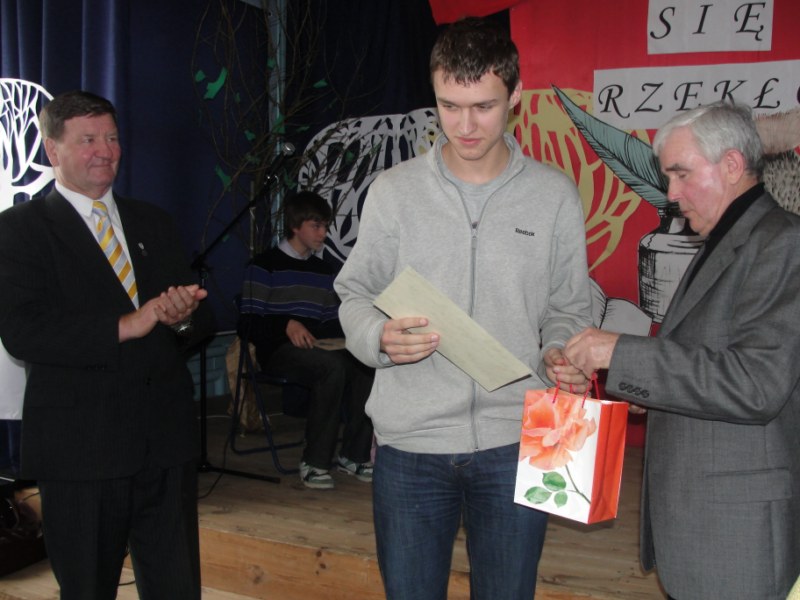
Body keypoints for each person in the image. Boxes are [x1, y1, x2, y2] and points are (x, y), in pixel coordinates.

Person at [333, 16, 593, 600]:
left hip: (520, 440)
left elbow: (569, 306)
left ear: (515, 96)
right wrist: (377, 337)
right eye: (449, 106)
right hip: (411, 444)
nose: (465, 126)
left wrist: (559, 348)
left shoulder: (553, 195)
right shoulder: (394, 192)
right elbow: (354, 294)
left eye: (483, 107)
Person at [564, 101, 800, 600]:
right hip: (707, 530)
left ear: (732, 165)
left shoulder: (783, 243)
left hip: (736, 538)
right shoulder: (727, 238)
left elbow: (756, 385)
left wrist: (621, 354)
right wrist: (642, 390)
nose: (670, 194)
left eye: (681, 174)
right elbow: (708, 364)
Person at [0, 90, 213, 600]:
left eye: (112, 138)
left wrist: (183, 317)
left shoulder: (153, 221)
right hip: (81, 449)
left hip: (165, 442)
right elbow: (24, 332)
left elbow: (200, 321)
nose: (105, 151)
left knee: (177, 588)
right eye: (88, 139)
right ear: (52, 150)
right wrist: (126, 325)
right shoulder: (19, 230)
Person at [238, 190, 374, 490]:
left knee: (365, 363)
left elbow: (329, 321)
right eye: (316, 226)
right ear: (295, 226)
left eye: (325, 226)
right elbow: (248, 323)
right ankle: (315, 462)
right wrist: (286, 324)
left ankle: (354, 455)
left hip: (317, 349)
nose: (323, 233)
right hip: (277, 351)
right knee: (330, 367)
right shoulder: (264, 265)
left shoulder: (324, 271)